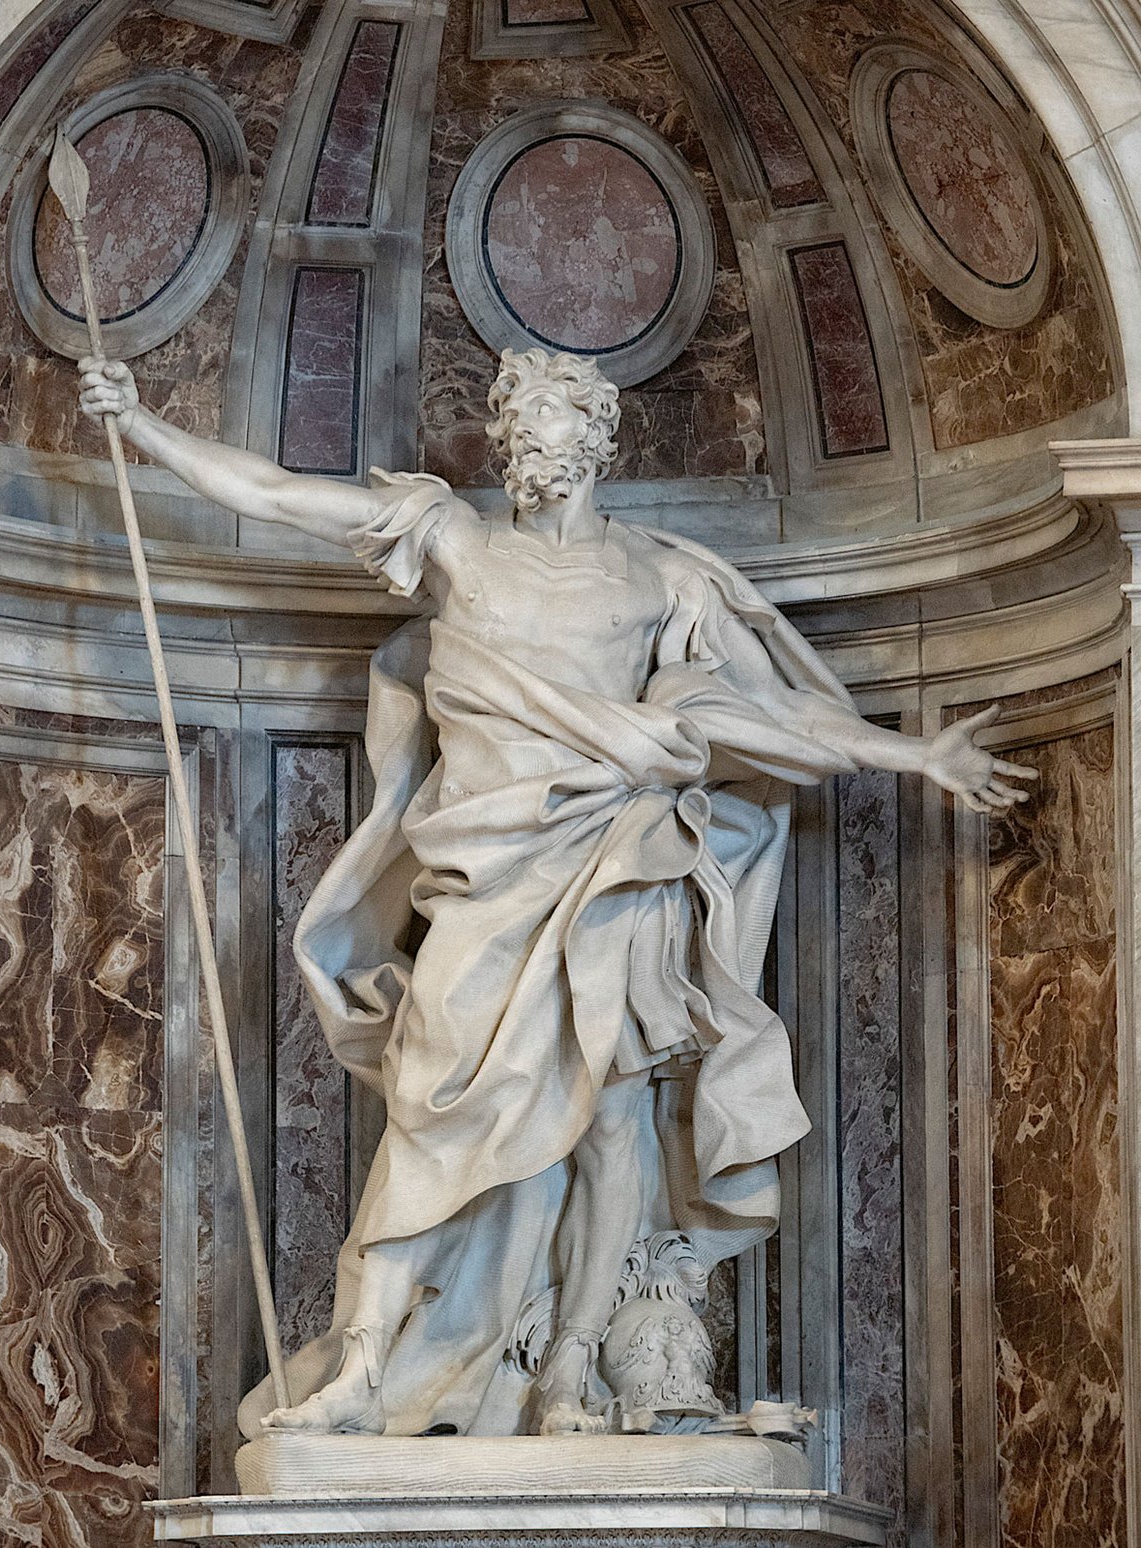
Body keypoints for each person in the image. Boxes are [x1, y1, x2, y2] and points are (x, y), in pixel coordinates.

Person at [78, 348, 1034, 1439]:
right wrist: (142, 426)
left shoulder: (662, 580)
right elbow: (280, 495)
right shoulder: (455, 540)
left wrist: (917, 757)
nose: (530, 439)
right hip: (486, 876)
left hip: (616, 865)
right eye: (516, 421)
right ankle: (362, 1366)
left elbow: (774, 714)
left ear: (598, 437)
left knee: (610, 1125)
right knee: (429, 1097)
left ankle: (574, 1367)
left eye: (552, 418)